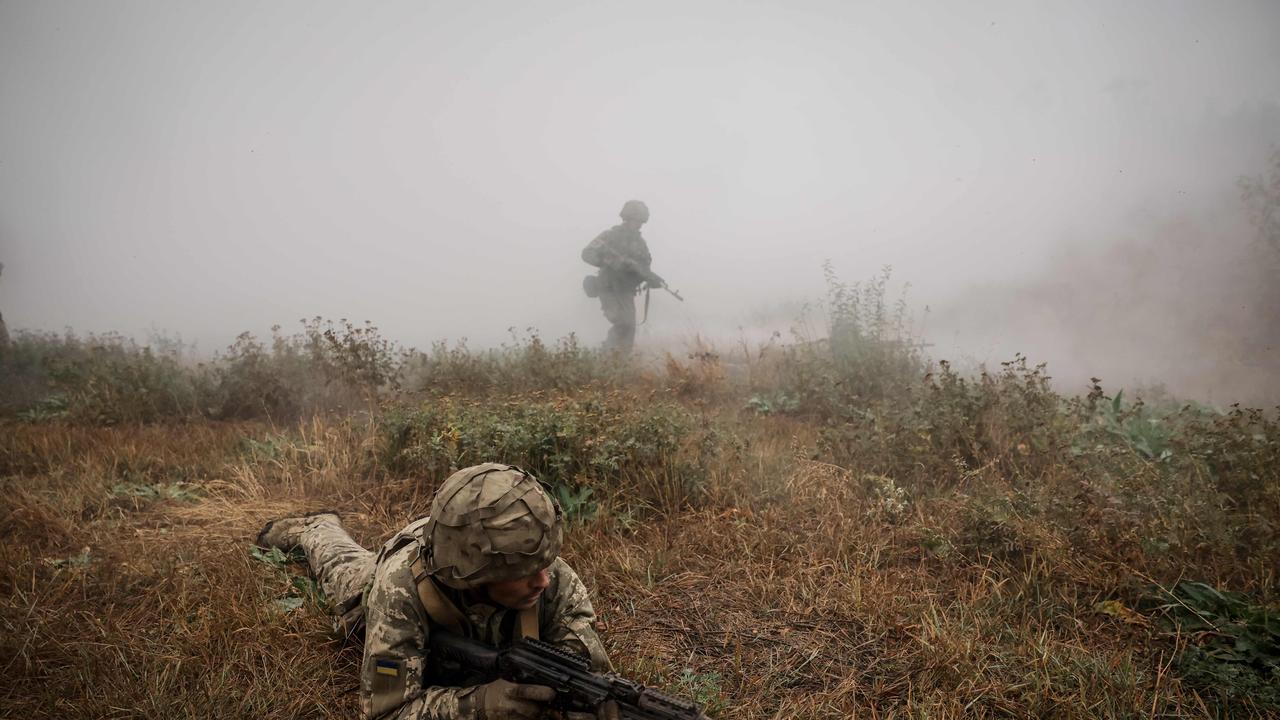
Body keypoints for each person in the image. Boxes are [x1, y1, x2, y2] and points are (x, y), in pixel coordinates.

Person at [256, 463, 616, 720]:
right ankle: (317, 527)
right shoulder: (400, 591)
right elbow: (386, 711)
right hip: (383, 573)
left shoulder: (554, 579)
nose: (543, 581)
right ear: (475, 576)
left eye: (546, 563)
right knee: (341, 567)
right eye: (522, 573)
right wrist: (482, 704)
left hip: (452, 546)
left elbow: (591, 678)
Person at [581, 200, 666, 354]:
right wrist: (612, 262)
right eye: (636, 221)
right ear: (626, 218)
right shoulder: (609, 236)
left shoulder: (640, 244)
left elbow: (644, 268)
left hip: (625, 291)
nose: (639, 225)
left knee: (630, 329)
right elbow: (587, 254)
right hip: (608, 288)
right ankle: (604, 359)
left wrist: (651, 279)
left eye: (641, 222)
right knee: (622, 324)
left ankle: (622, 364)